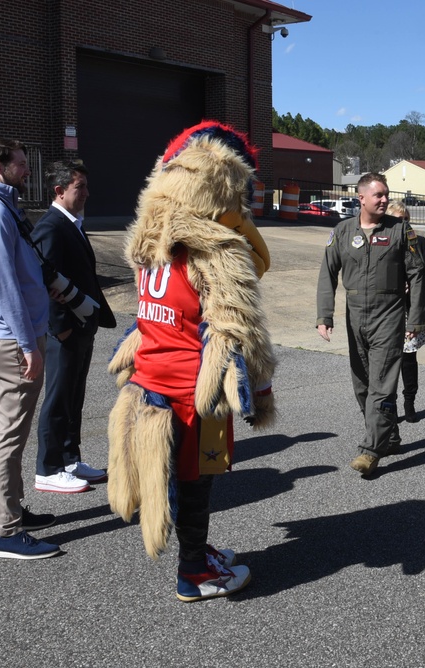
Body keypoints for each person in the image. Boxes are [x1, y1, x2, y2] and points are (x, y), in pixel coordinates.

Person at [107, 121, 276, 602]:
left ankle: (197, 552)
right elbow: (243, 332)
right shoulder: (216, 249)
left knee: (181, 483)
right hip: (192, 391)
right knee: (197, 482)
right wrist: (260, 393)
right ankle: (194, 572)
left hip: (149, 383)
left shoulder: (148, 241)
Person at [0, 138, 60, 559]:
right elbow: (4, 286)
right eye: (21, 164)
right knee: (7, 434)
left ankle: (11, 508)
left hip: (5, 334)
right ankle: (4, 530)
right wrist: (28, 345)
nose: (28, 170)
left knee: (7, 430)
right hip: (10, 337)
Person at [316, 173, 425, 476]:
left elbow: (418, 276)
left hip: (389, 316)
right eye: (378, 195)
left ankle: (369, 449)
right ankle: (389, 437)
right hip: (355, 317)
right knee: (362, 384)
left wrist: (415, 319)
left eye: (386, 194)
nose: (383, 200)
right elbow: (327, 273)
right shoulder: (342, 232)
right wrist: (324, 316)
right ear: (361, 198)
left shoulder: (401, 231)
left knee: (381, 384)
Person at [32, 160, 116, 493]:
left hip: (83, 324)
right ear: (59, 190)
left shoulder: (73, 224)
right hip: (66, 329)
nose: (86, 194)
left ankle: (69, 458)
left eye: (85, 186)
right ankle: (48, 467)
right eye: (79, 187)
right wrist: (60, 326)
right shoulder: (51, 226)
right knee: (58, 397)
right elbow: (44, 278)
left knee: (74, 396)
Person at [385, 199, 425, 423]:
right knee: (388, 360)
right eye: (397, 219)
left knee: (408, 358)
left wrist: (413, 284)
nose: (402, 223)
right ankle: (390, 405)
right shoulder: (382, 241)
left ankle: (409, 402)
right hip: (388, 309)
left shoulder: (419, 242)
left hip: (410, 308)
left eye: (405, 219)